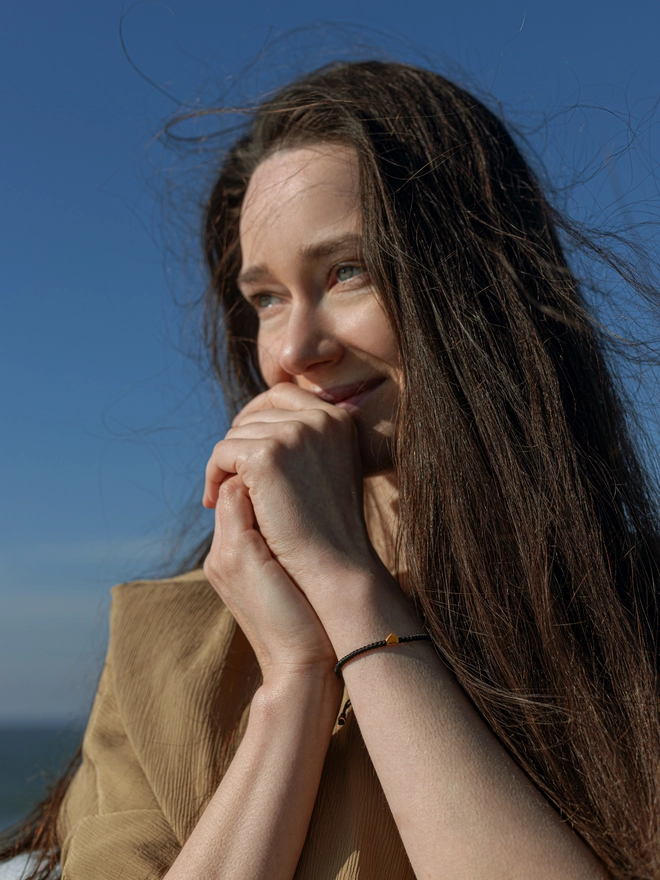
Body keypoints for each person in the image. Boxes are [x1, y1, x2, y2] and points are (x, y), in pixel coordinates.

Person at [2, 59, 660, 880]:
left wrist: (353, 598)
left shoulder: (631, 615)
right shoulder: (169, 642)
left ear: (483, 282)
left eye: (347, 271)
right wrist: (296, 684)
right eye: (266, 299)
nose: (290, 352)